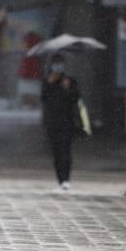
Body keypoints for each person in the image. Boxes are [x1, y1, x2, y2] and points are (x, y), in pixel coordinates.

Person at [41, 54, 81, 189]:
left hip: (67, 122)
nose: (58, 66)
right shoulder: (47, 80)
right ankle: (60, 180)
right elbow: (43, 98)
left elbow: (75, 98)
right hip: (53, 123)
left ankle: (66, 179)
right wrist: (49, 83)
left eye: (60, 63)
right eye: (56, 63)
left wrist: (67, 88)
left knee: (66, 151)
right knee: (57, 152)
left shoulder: (70, 80)